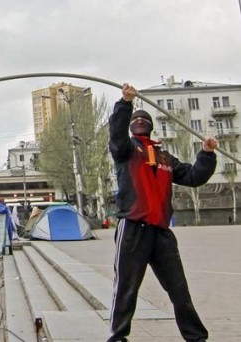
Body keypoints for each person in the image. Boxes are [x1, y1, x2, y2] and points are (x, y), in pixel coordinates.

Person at [107, 83, 218, 342]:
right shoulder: (125, 151)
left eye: (145, 120)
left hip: (161, 232)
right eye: (136, 120)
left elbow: (193, 176)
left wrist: (207, 154)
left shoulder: (165, 157)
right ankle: (118, 337)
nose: (141, 122)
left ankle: (196, 338)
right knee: (126, 287)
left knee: (179, 289)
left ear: (151, 125)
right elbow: (117, 133)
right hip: (133, 227)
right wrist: (125, 104)